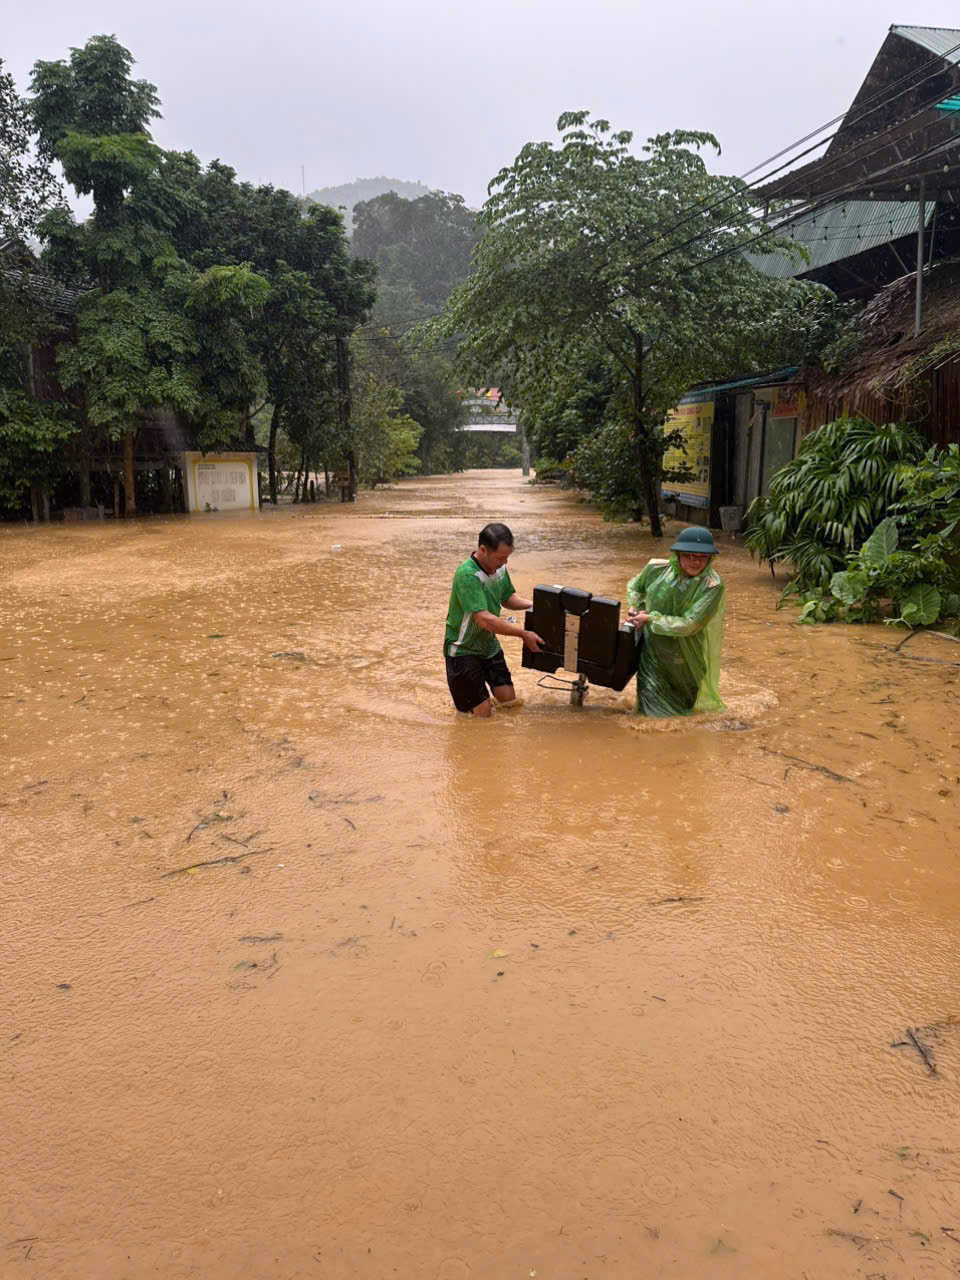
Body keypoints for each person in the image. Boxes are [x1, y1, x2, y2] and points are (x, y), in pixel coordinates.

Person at [444, 522, 544, 717]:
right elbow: (484, 620)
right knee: (482, 715)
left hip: (488, 645)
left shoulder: (499, 569)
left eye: (507, 557)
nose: (504, 563)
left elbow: (508, 598)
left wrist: (536, 605)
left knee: (510, 702)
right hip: (462, 650)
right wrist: (523, 634)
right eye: (500, 558)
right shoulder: (468, 575)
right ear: (483, 550)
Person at [625, 526, 726, 717]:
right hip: (653, 652)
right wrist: (634, 607)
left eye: (702, 557)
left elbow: (690, 624)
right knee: (648, 712)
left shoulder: (712, 585)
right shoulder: (655, 568)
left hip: (687, 656)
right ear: (677, 555)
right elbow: (635, 587)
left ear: (710, 559)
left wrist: (650, 618)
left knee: (682, 711)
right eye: (689, 555)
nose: (696, 561)